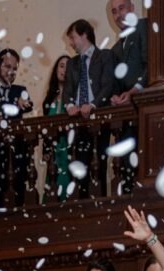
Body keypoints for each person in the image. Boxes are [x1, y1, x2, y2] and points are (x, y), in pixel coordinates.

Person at [63, 20, 114, 197]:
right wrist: (70, 106)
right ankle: (83, 204)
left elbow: (108, 86)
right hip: (78, 123)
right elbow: (68, 91)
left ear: (85, 35)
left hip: (99, 121)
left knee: (99, 164)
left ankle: (99, 202)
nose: (70, 42)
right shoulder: (72, 63)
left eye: (72, 37)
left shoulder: (105, 56)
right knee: (79, 166)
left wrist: (92, 105)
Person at [0, 48, 33, 208]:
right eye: (7, 66)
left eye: (14, 69)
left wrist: (20, 104)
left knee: (17, 192)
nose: (11, 71)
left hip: (16, 151)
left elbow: (28, 105)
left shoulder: (20, 90)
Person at [109, 0, 148, 192]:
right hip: (126, 117)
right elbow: (115, 82)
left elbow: (152, 65)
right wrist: (114, 97)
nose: (118, 15)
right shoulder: (116, 49)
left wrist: (136, 90)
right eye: (114, 12)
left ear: (132, 8)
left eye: (121, 8)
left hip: (147, 110)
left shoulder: (143, 27)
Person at [42, 56, 71, 200]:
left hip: (69, 148)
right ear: (56, 70)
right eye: (61, 66)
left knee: (66, 184)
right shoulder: (48, 99)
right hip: (54, 150)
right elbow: (45, 127)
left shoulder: (74, 97)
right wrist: (46, 149)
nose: (64, 70)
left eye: (68, 66)